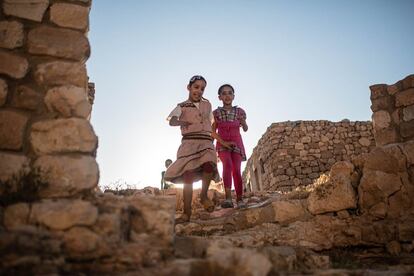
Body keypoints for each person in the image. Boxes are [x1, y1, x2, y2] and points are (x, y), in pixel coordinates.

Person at [165, 75, 222, 223]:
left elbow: (211, 121)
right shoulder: (182, 106)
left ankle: (203, 196)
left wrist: (212, 136)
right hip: (189, 143)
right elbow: (171, 121)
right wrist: (183, 121)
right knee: (188, 175)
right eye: (196, 87)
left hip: (205, 142)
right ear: (189, 88)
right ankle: (186, 213)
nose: (199, 91)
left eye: (202, 88)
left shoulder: (207, 105)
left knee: (209, 164)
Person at [213, 84, 248, 209]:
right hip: (222, 143)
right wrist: (219, 144)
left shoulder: (240, 111)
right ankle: (228, 198)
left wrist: (243, 122)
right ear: (219, 97)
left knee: (236, 169)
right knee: (227, 165)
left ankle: (239, 198)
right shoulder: (216, 113)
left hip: (237, 143)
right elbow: (212, 132)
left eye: (229, 93)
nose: (227, 96)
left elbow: (245, 128)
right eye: (224, 93)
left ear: (233, 96)